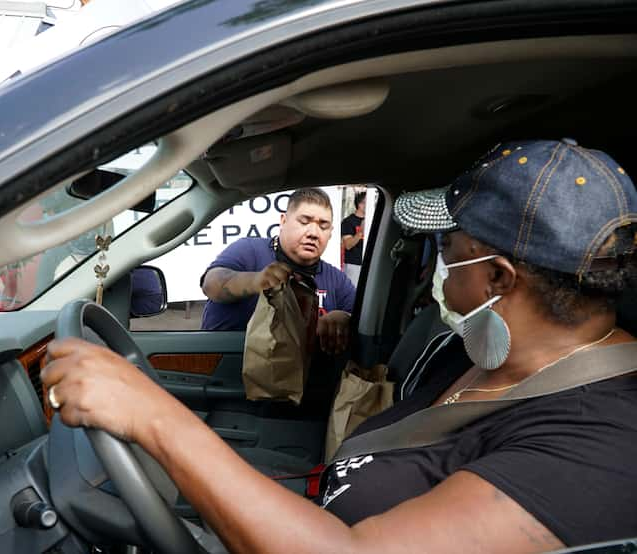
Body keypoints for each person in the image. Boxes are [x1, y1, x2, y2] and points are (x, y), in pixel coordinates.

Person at [41, 139, 637, 553]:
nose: (439, 275)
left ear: (499, 278)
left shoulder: (605, 439)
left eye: (448, 255)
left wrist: (155, 417)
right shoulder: (480, 349)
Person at [200, 187, 356, 354]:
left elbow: (362, 319)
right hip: (228, 369)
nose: (313, 233)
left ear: (331, 232)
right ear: (283, 221)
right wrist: (255, 281)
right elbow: (211, 285)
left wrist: (345, 318)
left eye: (323, 226)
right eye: (304, 221)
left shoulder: (337, 280)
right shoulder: (249, 250)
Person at [341, 191, 366, 286]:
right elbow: (348, 245)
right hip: (353, 265)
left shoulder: (371, 219)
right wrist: (360, 233)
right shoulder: (348, 222)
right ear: (360, 204)